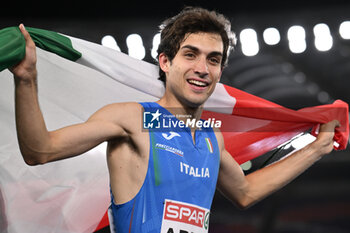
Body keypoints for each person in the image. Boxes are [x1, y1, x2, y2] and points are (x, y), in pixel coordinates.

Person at [9, 7, 339, 233]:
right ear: (165, 62)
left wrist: (318, 148)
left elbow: (245, 192)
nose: (202, 68)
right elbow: (41, 150)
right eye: (190, 54)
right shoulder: (133, 118)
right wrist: (26, 79)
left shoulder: (211, 137)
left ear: (221, 71)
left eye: (213, 60)